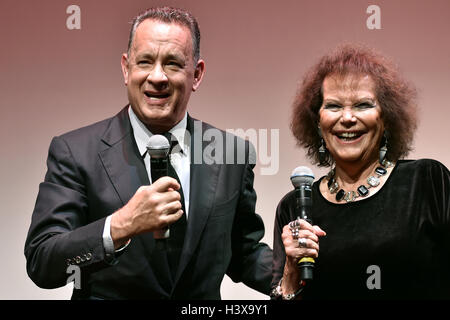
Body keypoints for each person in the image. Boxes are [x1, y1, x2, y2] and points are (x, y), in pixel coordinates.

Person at [24, 6, 272, 300]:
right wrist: (119, 226)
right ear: (126, 68)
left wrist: (294, 274)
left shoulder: (231, 153)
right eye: (145, 62)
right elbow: (43, 260)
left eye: (172, 64)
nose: (157, 77)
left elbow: (243, 252)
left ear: (197, 74)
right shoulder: (76, 152)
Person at [271, 44, 450, 300]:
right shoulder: (295, 207)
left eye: (362, 105)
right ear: (317, 123)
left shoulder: (427, 182)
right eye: (333, 106)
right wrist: (290, 272)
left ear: (386, 118)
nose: (347, 118)